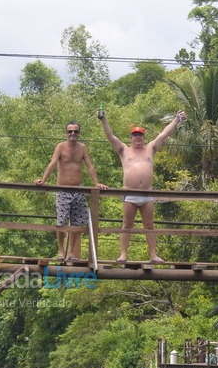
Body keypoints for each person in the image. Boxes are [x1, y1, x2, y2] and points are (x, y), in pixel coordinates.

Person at [99, 109, 186, 262]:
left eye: (140, 135)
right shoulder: (124, 150)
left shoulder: (150, 149)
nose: (137, 137)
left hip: (147, 194)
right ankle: (123, 254)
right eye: (135, 135)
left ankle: (153, 255)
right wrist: (103, 119)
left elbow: (163, 134)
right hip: (129, 194)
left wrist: (176, 120)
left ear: (144, 137)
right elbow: (110, 136)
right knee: (126, 225)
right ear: (131, 137)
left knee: (149, 225)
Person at [36, 121, 107, 261]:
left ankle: (70, 252)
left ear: (79, 133)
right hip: (62, 190)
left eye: (75, 131)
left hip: (78, 190)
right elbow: (52, 164)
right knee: (61, 222)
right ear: (66, 133)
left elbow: (89, 166)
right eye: (70, 131)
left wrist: (96, 183)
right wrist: (43, 180)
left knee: (77, 223)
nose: (73, 134)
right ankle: (61, 251)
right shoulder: (60, 147)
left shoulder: (82, 148)